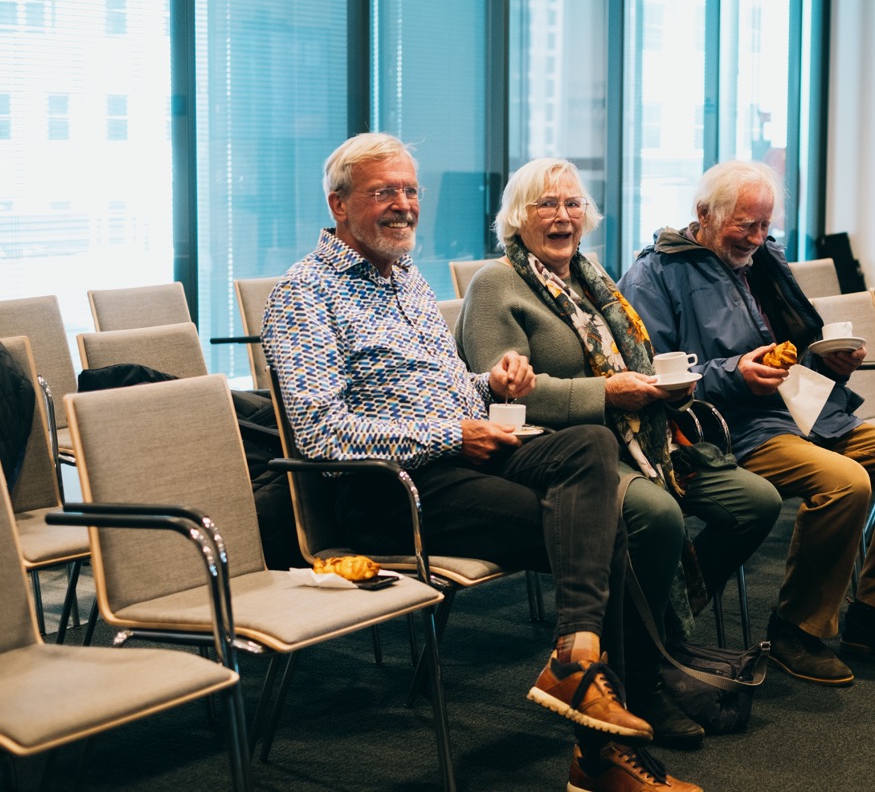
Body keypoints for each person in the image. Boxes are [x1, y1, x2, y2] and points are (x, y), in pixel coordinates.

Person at [261, 133, 700, 792]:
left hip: (461, 458)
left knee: (591, 445)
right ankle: (600, 750)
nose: (404, 205)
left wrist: (492, 385)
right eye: (385, 192)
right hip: (388, 490)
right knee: (600, 523)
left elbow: (444, 389)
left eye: (411, 191)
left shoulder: (405, 279)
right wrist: (450, 434)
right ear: (340, 203)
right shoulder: (303, 294)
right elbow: (322, 435)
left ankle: (577, 660)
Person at [456, 157, 782, 746]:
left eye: (573, 203)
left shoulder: (592, 275)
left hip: (642, 434)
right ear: (516, 217)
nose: (563, 216)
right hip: (563, 453)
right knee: (656, 517)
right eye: (546, 205)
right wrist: (602, 392)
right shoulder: (495, 285)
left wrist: (660, 386)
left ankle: (658, 629)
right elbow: (502, 392)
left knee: (755, 501)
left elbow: (632, 363)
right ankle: (640, 675)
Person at [619, 160, 875, 687]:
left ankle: (873, 616)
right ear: (704, 214)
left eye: (764, 225)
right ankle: (797, 629)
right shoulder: (654, 275)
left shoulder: (764, 260)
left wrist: (828, 361)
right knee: (845, 483)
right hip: (731, 426)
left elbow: (796, 343)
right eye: (744, 225)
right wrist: (735, 374)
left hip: (808, 410)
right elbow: (654, 377)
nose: (755, 237)